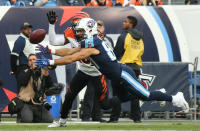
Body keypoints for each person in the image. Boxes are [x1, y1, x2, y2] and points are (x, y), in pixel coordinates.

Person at [35, 17, 189, 126]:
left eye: (81, 31)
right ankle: (158, 93)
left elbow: (73, 57)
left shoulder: (93, 42)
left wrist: (50, 61)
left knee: (145, 95)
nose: (78, 33)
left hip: (122, 74)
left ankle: (175, 98)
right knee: (124, 97)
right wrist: (50, 49)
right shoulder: (91, 40)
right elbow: (70, 51)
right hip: (115, 76)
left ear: (89, 30)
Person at [38, 11, 120, 126]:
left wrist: (51, 59)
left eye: (80, 27)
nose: (77, 30)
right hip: (83, 70)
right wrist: (51, 26)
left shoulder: (96, 37)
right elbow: (55, 43)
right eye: (76, 26)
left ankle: (120, 101)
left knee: (105, 104)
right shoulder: (72, 33)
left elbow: (73, 56)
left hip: (97, 72)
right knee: (69, 95)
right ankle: (62, 121)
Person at [81, 20, 118, 122]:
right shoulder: (90, 39)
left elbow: (112, 55)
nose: (98, 28)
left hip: (103, 71)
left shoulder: (108, 39)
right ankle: (85, 117)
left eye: (100, 26)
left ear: (104, 28)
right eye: (96, 26)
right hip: (92, 70)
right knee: (89, 94)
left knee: (100, 95)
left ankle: (96, 116)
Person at [114, 16, 144, 123]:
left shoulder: (124, 36)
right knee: (135, 93)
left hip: (125, 67)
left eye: (125, 22)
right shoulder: (140, 38)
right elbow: (141, 51)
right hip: (136, 67)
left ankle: (114, 118)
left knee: (117, 92)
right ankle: (137, 118)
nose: (123, 23)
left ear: (130, 24)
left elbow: (116, 53)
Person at [11, 54, 54, 123]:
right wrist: (31, 70)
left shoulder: (42, 73)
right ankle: (21, 116)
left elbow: (50, 86)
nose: (32, 61)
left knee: (49, 120)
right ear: (28, 63)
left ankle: (34, 117)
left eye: (34, 59)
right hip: (26, 103)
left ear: (38, 61)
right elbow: (23, 82)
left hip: (38, 104)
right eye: (30, 60)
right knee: (27, 120)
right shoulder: (23, 71)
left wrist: (47, 75)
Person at [10, 22, 35, 91]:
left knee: (31, 91)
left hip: (29, 68)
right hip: (23, 68)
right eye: (26, 29)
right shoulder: (20, 40)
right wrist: (15, 70)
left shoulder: (28, 40)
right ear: (21, 31)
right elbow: (13, 57)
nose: (29, 30)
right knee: (23, 92)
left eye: (29, 28)